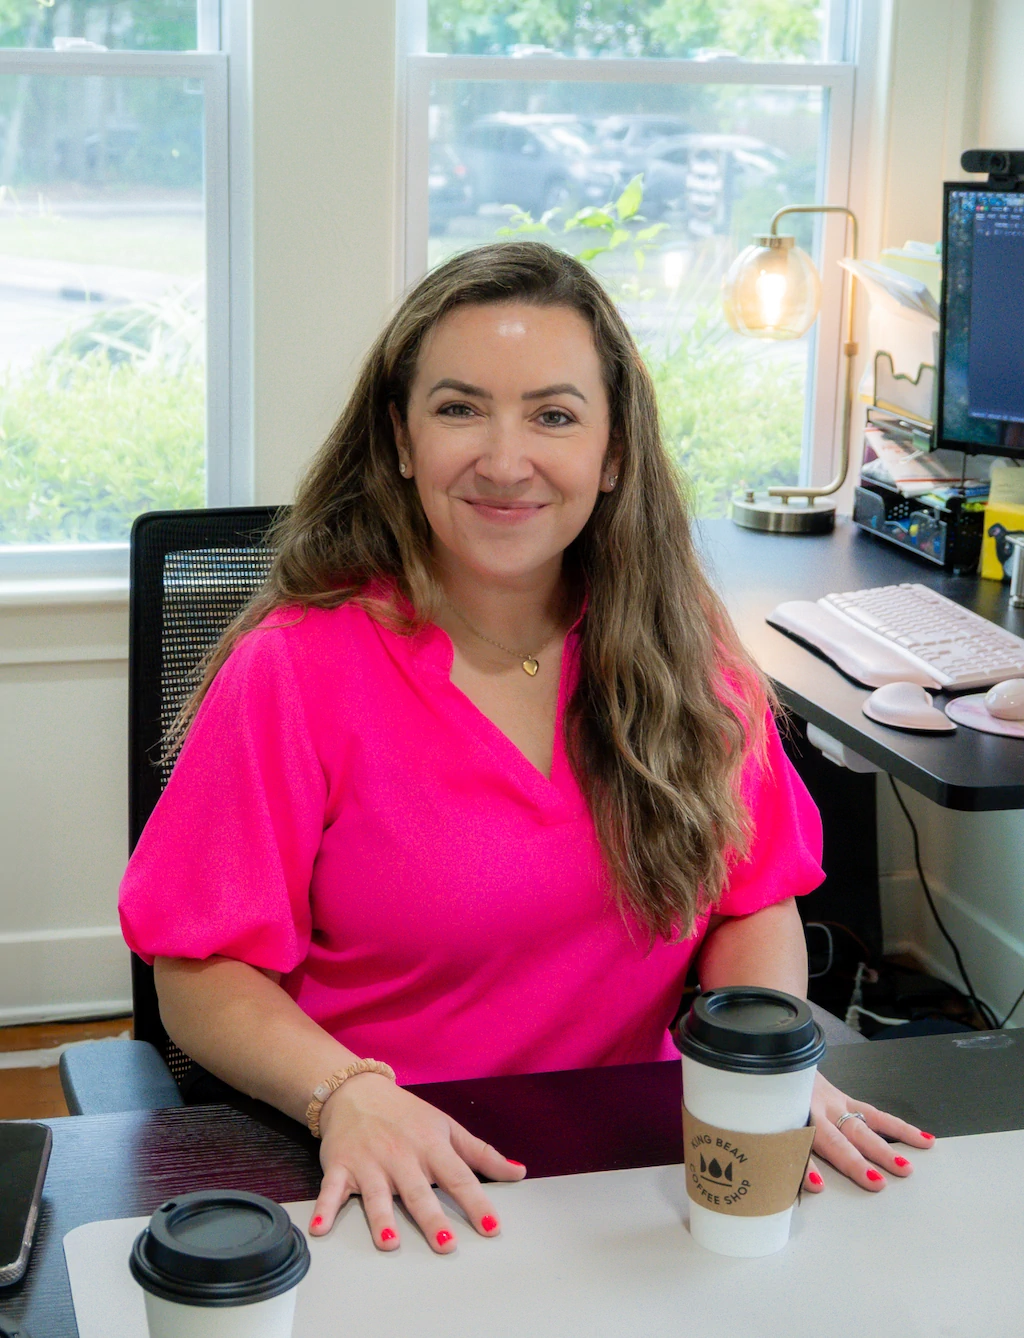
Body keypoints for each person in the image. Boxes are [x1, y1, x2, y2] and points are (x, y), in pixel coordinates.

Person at [119, 241, 933, 1256]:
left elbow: (750, 897)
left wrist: (756, 1071)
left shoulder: (691, 657)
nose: (505, 461)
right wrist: (346, 1096)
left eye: (553, 414)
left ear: (613, 452)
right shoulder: (292, 670)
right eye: (459, 408)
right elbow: (199, 972)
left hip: (629, 1174)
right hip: (378, 1174)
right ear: (401, 440)